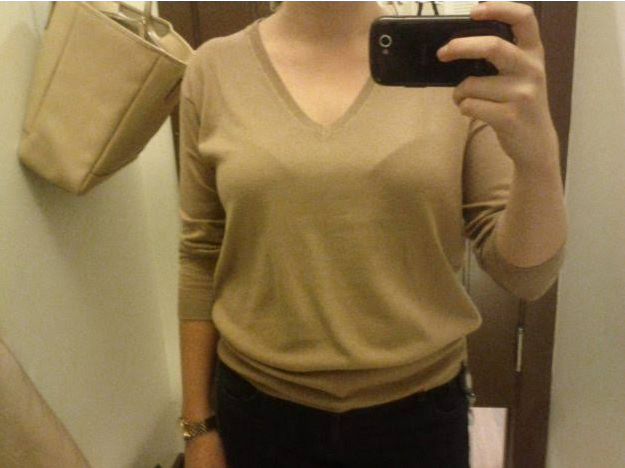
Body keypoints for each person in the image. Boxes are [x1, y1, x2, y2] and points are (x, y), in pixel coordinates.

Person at [177, 2, 568, 467]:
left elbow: (526, 276)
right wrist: (197, 426)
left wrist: (538, 156)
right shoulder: (213, 69)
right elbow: (200, 254)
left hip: (419, 417)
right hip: (257, 412)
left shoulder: (454, 64)